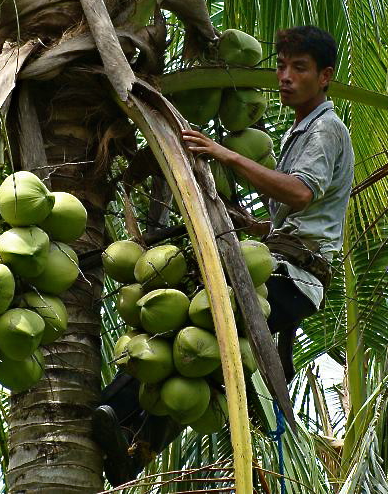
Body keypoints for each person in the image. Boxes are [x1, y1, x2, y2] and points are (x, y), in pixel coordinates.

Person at [93, 25, 354, 485]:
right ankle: (136, 446)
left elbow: (299, 193)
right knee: (206, 358)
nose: (286, 77)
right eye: (281, 66)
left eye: (300, 68)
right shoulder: (303, 129)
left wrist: (225, 155)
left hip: (293, 275)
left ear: (325, 76)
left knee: (190, 318)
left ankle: (113, 408)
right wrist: (258, 226)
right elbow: (303, 212)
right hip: (288, 267)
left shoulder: (325, 129)